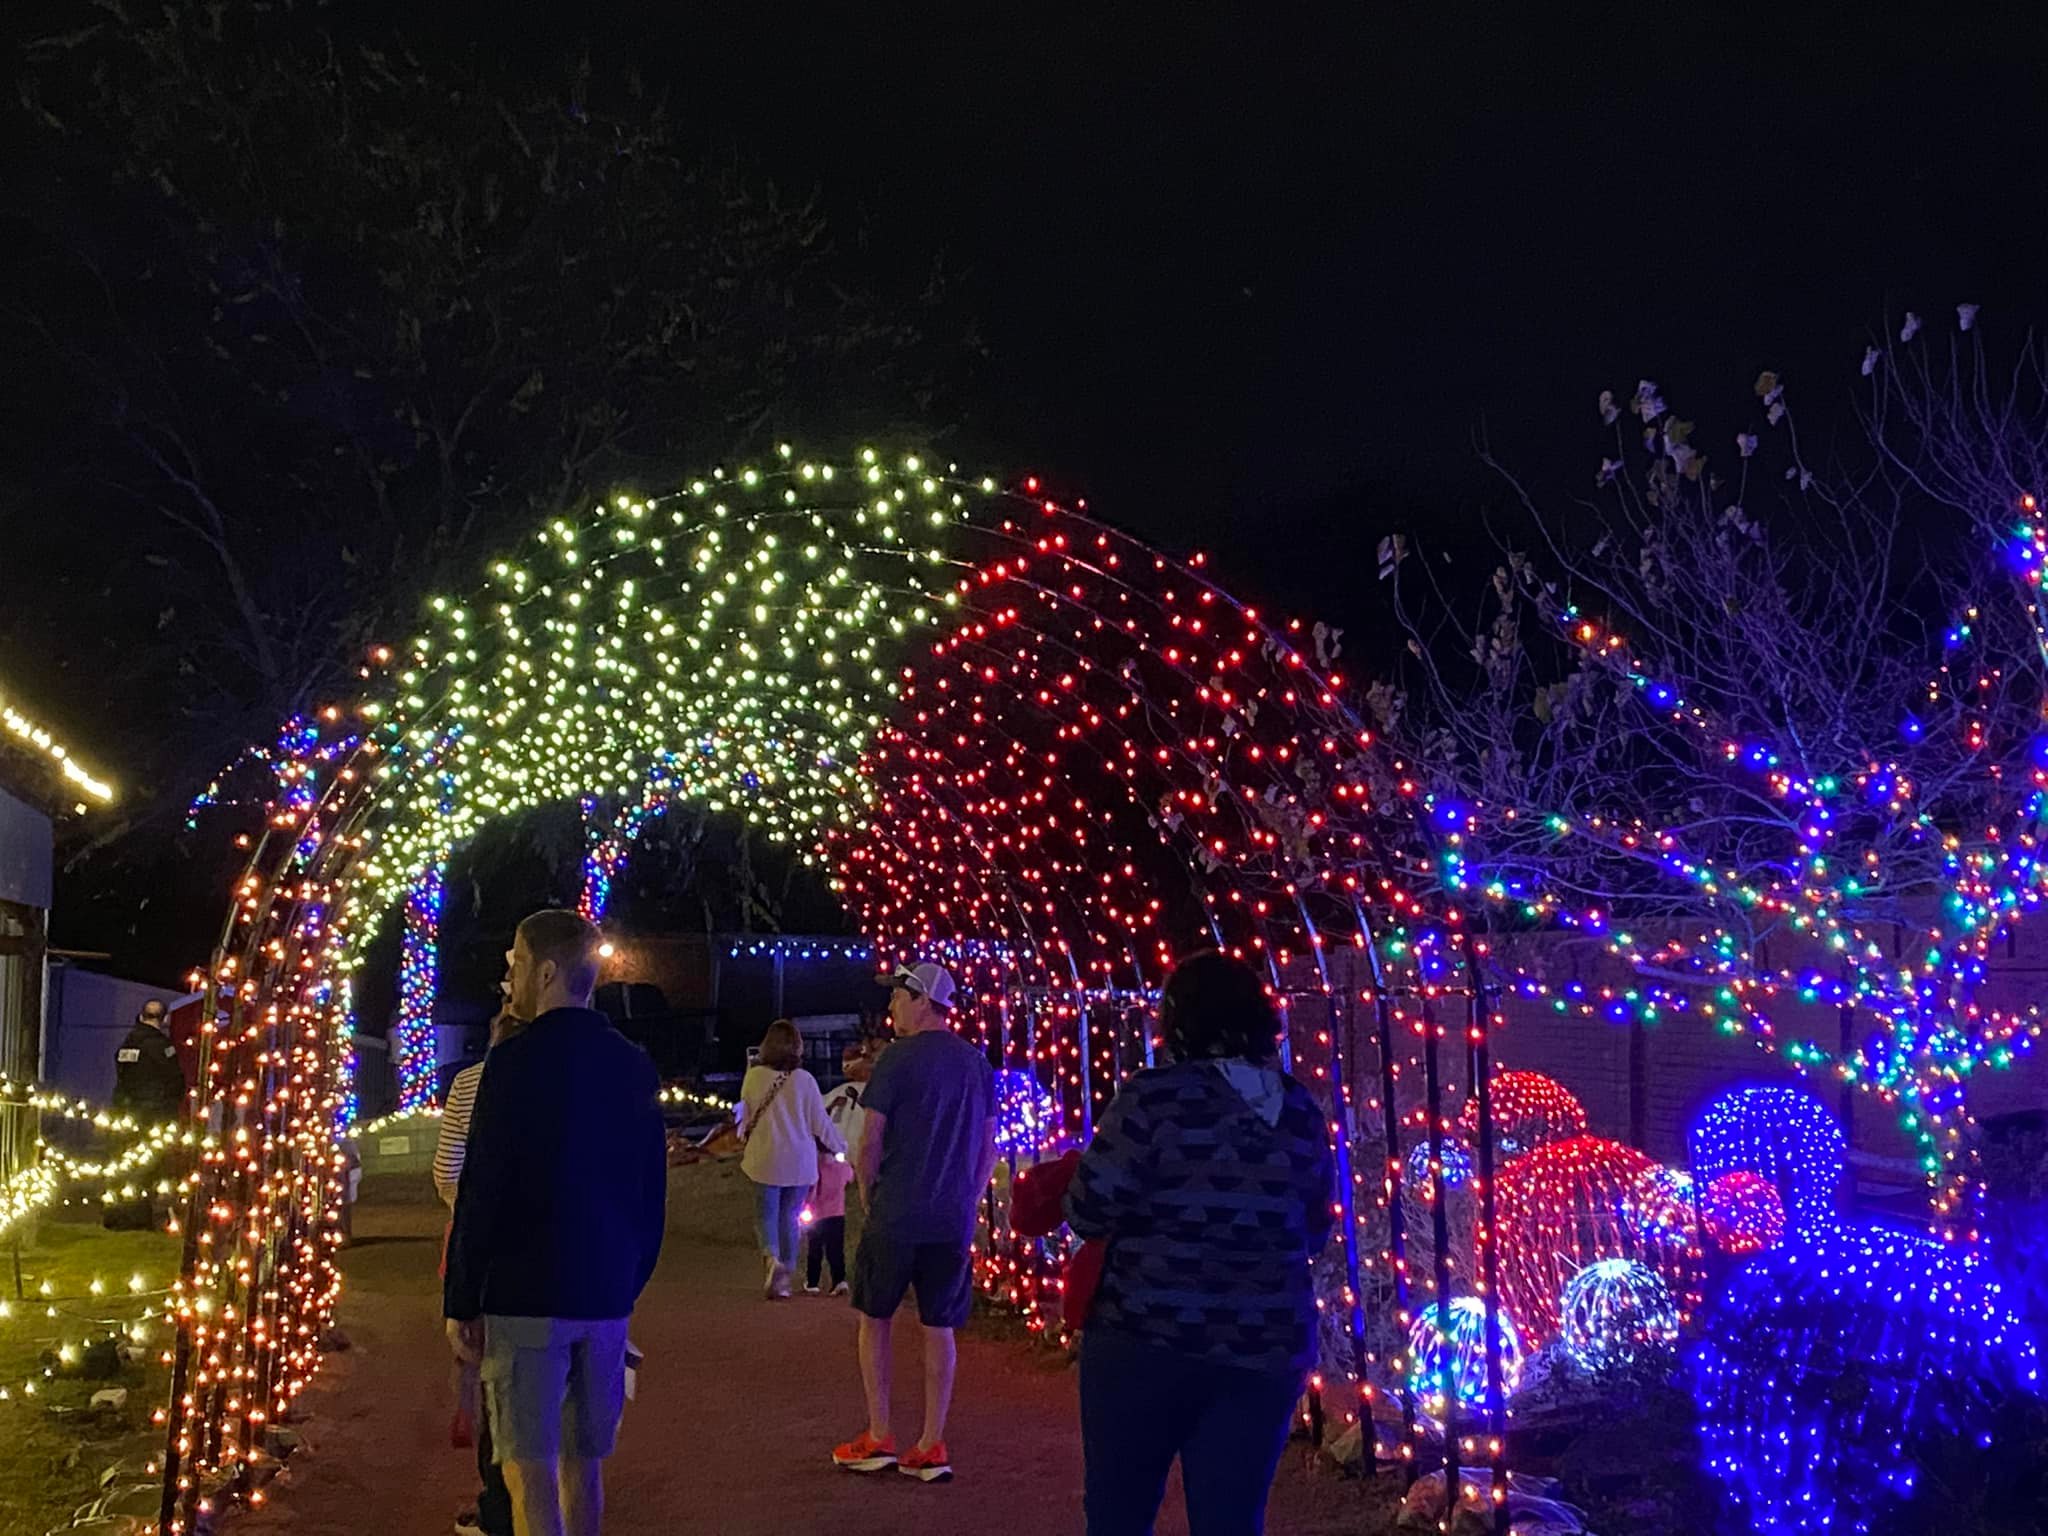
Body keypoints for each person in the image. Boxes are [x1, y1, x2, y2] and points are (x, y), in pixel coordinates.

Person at [1063, 951, 1334, 1536]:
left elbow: (1088, 1209)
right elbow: (1316, 1227)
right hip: (1266, 1346)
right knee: (1232, 1518)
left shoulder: (1154, 1098)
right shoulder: (1299, 1108)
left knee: (1119, 1511)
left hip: (1146, 1338)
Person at [444, 912, 668, 1536]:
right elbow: (651, 1191)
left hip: (526, 1293)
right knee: (585, 1463)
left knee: (527, 1466)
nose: (507, 975)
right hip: (604, 1295)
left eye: (514, 962)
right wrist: (627, 1278)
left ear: (545, 972)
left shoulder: (512, 1064)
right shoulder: (632, 1065)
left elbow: (481, 1189)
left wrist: (462, 1298)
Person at [833, 962, 995, 1485]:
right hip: (951, 1218)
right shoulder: (976, 1063)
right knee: (938, 1326)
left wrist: (867, 1188)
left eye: (900, 997)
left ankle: (880, 1432)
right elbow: (989, 1147)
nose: (892, 1008)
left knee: (874, 1317)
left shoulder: (896, 1060)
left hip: (898, 1210)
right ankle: (931, 1441)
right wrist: (968, 1197)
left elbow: (870, 1139)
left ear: (924, 1000)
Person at [435, 1006, 526, 1536]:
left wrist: (466, 1212)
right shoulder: (567, 1081)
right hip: (561, 1254)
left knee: (493, 1374)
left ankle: (500, 1504)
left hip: (488, 1252)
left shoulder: (472, 1083)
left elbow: (448, 1169)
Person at [740, 1019, 846, 1299]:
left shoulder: (753, 1076)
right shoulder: (805, 1081)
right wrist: (840, 1147)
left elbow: (746, 1116)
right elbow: (820, 1123)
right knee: (790, 1217)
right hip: (799, 1162)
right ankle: (785, 1277)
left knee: (766, 1215)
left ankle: (771, 1260)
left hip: (764, 1158)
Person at [106, 999, 185, 1229]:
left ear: (141, 1017)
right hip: (153, 1114)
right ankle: (141, 1217)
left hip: (126, 1113)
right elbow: (175, 1081)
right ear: (164, 1019)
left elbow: (122, 1077)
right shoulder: (162, 1047)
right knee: (150, 1166)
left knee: (123, 1162)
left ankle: (117, 1214)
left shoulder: (127, 1044)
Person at [804, 1144, 853, 1296]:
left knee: (815, 1250)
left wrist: (805, 1205)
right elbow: (851, 1177)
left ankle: (813, 1282)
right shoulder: (842, 1167)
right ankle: (839, 1280)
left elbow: (811, 1193)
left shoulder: (815, 1168)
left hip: (817, 1215)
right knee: (836, 1249)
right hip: (838, 1213)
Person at [820, 1037, 875, 1161]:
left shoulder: (876, 1089)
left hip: (862, 1153)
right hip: (841, 1155)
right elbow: (818, 1109)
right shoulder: (841, 1091)